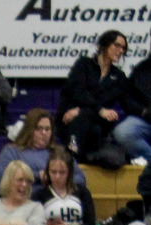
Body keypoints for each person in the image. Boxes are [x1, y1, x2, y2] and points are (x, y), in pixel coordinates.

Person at [57, 30, 138, 160]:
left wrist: (144, 111)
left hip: (96, 122)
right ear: (105, 45)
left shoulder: (119, 76)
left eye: (123, 48)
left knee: (85, 116)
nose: (121, 50)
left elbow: (128, 102)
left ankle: (72, 156)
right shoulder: (84, 64)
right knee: (81, 118)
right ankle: (73, 157)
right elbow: (77, 92)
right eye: (117, 45)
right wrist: (99, 109)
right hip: (71, 119)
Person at [0, 108, 86, 193]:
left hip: (57, 200)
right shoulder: (11, 151)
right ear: (29, 130)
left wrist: (56, 178)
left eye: (47, 129)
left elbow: (80, 179)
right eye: (39, 128)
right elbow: (1, 181)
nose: (44, 133)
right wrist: (37, 176)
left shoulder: (60, 152)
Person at [113, 46, 151, 163]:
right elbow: (127, 98)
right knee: (123, 132)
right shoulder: (142, 69)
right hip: (146, 120)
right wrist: (143, 111)